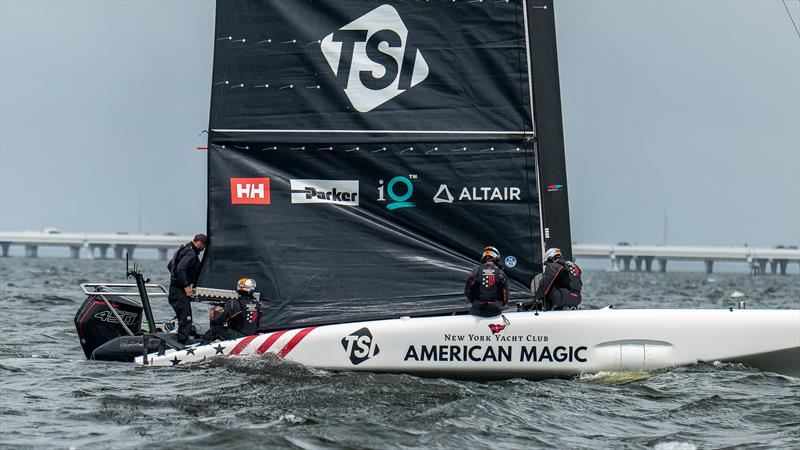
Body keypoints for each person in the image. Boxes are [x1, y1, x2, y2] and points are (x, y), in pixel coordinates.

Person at [166, 233, 208, 344]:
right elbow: (180, 269)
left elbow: (170, 266)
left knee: (183, 317)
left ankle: (181, 340)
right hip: (178, 291)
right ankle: (182, 344)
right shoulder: (191, 254)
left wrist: (176, 280)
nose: (203, 249)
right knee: (186, 318)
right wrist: (185, 286)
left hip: (175, 290)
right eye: (204, 246)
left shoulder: (183, 249)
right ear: (199, 243)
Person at [204, 277, 260, 342]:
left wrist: (215, 312)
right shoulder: (257, 304)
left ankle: (202, 345)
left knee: (215, 329)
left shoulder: (234, 303)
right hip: (252, 338)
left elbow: (219, 321)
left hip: (238, 337)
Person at [464, 245, 508, 317]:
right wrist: (498, 305)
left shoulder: (476, 271)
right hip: (495, 311)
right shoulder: (500, 272)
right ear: (496, 258)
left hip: (477, 310)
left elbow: (468, 292)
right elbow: (505, 296)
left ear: (483, 258)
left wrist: (476, 303)